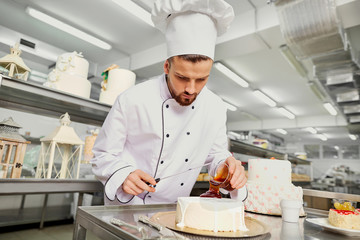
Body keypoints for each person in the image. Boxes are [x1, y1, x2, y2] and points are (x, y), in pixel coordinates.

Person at [91, 0, 247, 205]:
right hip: (127, 209)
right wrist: (123, 174)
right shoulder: (132, 99)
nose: (191, 89)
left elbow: (215, 154)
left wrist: (227, 166)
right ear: (166, 66)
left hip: (171, 209)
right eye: (182, 77)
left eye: (201, 79)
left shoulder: (216, 107)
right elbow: (103, 154)